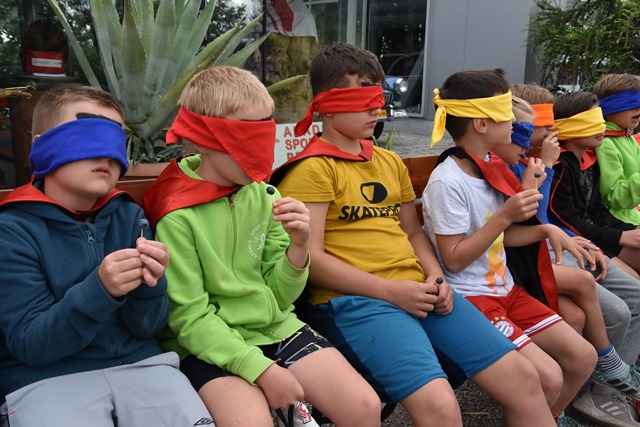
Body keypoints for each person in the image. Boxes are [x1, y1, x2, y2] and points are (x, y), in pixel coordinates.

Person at [274, 43, 555, 427]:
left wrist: (436, 278)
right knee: (439, 406)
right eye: (362, 98)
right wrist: (392, 292)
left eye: (379, 98)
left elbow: (412, 231)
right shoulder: (312, 169)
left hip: (422, 292)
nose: (376, 109)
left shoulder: (389, 162)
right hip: (358, 302)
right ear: (326, 104)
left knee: (524, 378)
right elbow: (312, 259)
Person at [142, 66, 381, 427]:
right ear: (203, 139)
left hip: (274, 327)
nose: (259, 148)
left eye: (265, 131)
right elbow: (189, 319)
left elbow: (280, 298)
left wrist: (298, 247)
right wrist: (262, 370)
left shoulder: (264, 194)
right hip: (207, 346)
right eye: (245, 134)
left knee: (363, 406)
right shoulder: (175, 213)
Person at [0, 84, 213, 427]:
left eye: (115, 141)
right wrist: (100, 290)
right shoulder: (11, 230)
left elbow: (148, 327)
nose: (106, 155)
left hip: (144, 367)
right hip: (45, 380)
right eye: (87, 136)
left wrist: (151, 286)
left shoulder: (129, 217)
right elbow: (31, 345)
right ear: (42, 146)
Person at [422, 69, 598, 424]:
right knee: (548, 376)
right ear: (481, 124)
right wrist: (504, 217)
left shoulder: (490, 165)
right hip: (473, 298)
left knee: (583, 357)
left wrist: (544, 231)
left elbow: (503, 236)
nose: (514, 123)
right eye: (506, 114)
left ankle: (544, 417)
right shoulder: (447, 181)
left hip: (506, 290)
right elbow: (454, 260)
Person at [494, 94, 640, 426]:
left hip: (553, 246)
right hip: (525, 260)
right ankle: (599, 383)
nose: (550, 133)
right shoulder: (531, 165)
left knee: (630, 295)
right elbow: (532, 219)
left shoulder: (536, 162)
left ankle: (602, 390)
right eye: (541, 127)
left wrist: (585, 239)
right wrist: (544, 169)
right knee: (596, 309)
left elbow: (550, 218)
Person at [592, 73, 640, 226]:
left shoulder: (627, 138)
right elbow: (613, 197)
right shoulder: (605, 143)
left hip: (632, 213)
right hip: (616, 220)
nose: (638, 107)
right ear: (608, 108)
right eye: (630, 104)